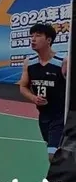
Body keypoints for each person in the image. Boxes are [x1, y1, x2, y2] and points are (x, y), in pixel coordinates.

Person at [18, 23, 67, 162]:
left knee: (53, 155)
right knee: (56, 152)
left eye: (38, 36)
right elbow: (23, 87)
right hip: (44, 116)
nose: (33, 39)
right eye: (31, 36)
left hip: (60, 116)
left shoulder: (63, 62)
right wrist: (33, 98)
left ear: (49, 40)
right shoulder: (29, 63)